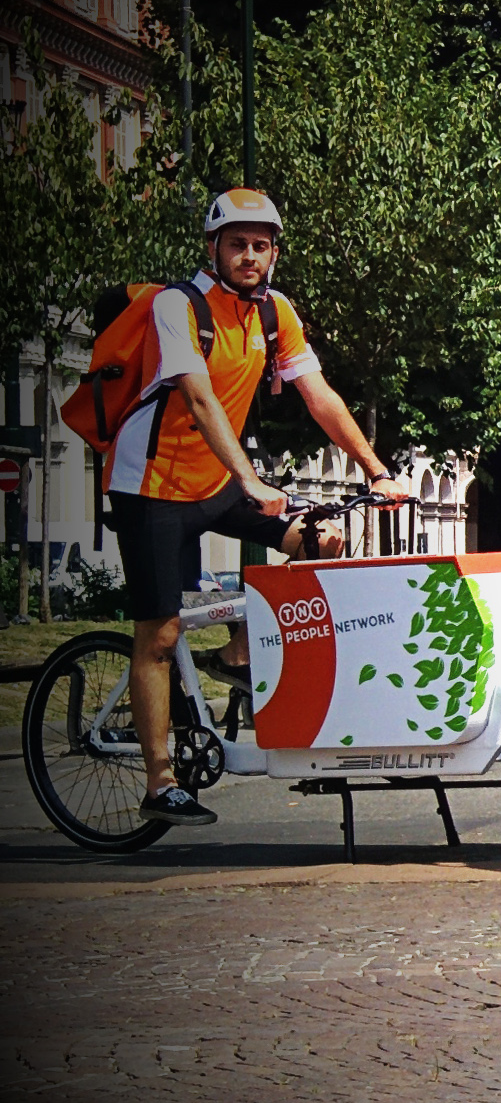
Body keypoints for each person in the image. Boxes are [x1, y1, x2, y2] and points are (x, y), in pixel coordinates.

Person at [112, 188, 408, 826]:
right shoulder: (177, 306)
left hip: (217, 481)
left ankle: (240, 655)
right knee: (159, 634)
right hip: (152, 485)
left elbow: (318, 394)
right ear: (213, 248)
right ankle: (160, 781)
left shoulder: (274, 313)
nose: (250, 256)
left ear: (274, 253)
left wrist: (376, 470)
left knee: (319, 540)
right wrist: (248, 480)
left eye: (261, 245)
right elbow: (197, 400)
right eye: (237, 244)